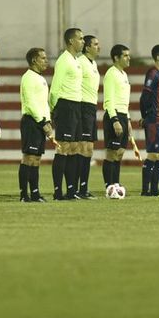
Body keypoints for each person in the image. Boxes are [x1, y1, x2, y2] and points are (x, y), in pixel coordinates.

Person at [49, 28, 85, 200]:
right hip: (65, 106)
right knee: (62, 148)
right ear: (71, 41)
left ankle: (71, 191)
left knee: (73, 148)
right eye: (80, 38)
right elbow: (55, 88)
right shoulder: (64, 60)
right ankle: (57, 192)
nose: (83, 41)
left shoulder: (76, 60)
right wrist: (53, 109)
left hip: (76, 106)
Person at [18, 47, 53, 202]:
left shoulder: (40, 78)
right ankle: (24, 195)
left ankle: (35, 193)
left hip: (41, 121)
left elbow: (43, 103)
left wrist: (48, 121)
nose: (46, 61)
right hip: (32, 121)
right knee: (29, 158)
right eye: (43, 58)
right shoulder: (29, 77)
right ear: (34, 60)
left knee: (36, 159)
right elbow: (30, 103)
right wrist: (42, 121)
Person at [139, 44, 159, 196]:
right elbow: (145, 96)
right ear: (158, 57)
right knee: (152, 154)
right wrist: (145, 116)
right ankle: (146, 190)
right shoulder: (153, 73)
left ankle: (154, 189)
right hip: (155, 120)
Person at [102, 44, 132, 196]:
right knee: (112, 153)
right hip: (113, 116)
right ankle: (109, 186)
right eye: (125, 55)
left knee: (120, 152)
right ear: (116, 58)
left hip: (123, 116)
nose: (129, 58)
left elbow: (124, 101)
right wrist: (115, 120)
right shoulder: (111, 74)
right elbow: (108, 100)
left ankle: (116, 183)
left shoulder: (124, 75)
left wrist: (128, 120)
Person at [76, 35, 100, 199]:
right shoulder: (81, 62)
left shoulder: (93, 64)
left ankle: (83, 188)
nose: (99, 47)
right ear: (87, 47)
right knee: (82, 148)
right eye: (95, 44)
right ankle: (77, 189)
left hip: (91, 108)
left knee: (89, 150)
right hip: (83, 107)